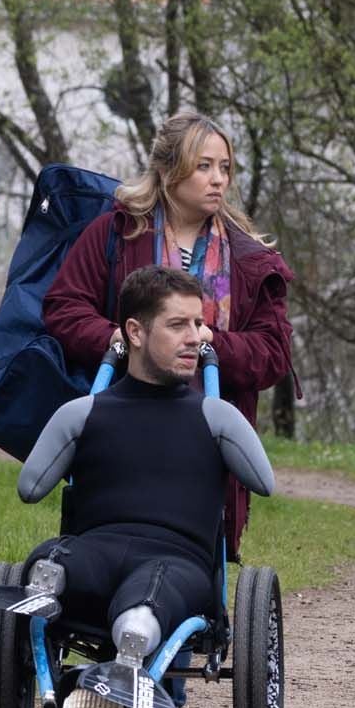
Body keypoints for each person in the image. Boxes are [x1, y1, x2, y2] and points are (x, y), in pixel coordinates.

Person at [18, 267, 275, 708]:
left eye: (199, 325)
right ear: (135, 332)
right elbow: (30, 487)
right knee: (49, 559)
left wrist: (230, 429)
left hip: (176, 562)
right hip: (92, 552)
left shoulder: (213, 416)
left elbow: (264, 483)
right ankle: (47, 593)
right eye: (178, 325)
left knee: (148, 593)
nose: (196, 338)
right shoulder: (84, 413)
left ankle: (131, 646)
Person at [44, 112, 295, 560]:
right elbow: (64, 308)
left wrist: (207, 341)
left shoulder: (250, 260)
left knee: (188, 541)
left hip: (202, 426)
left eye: (225, 168)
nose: (218, 179)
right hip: (122, 414)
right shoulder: (117, 234)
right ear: (167, 169)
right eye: (203, 166)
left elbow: (273, 354)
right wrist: (126, 339)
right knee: (107, 525)